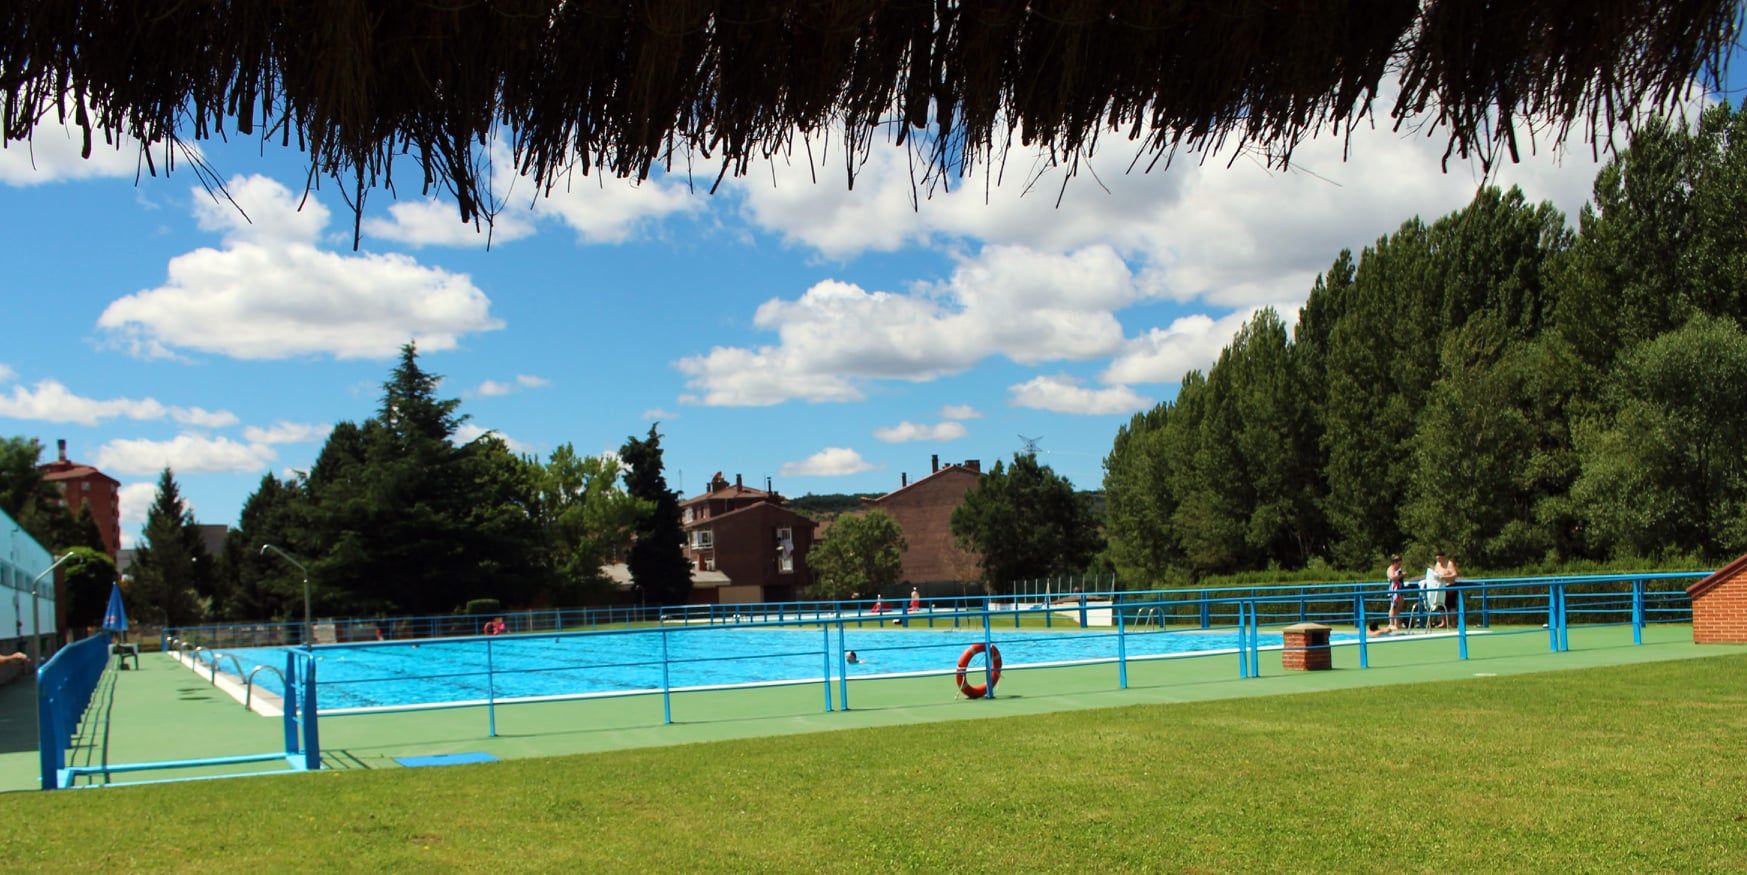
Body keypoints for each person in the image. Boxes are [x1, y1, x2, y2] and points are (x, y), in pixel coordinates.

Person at [1434, 551, 1461, 626]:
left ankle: (1453, 622)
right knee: (1441, 605)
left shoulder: (1449, 564)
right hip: (1441, 587)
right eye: (1437, 559)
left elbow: (1455, 574)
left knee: (1451, 605)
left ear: (1443, 557)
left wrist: (1444, 577)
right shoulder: (1437, 564)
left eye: (1440, 558)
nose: (1439, 560)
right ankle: (1444, 622)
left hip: (1450, 586)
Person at [1385, 554, 1405, 631]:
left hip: (1400, 590)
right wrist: (1401, 575)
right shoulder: (1390, 569)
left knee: (1398, 607)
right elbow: (1393, 578)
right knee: (1393, 607)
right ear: (1395, 562)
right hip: (1394, 591)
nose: (1400, 565)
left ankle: (1397, 623)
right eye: (1399, 563)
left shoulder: (1398, 569)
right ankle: (1392, 623)